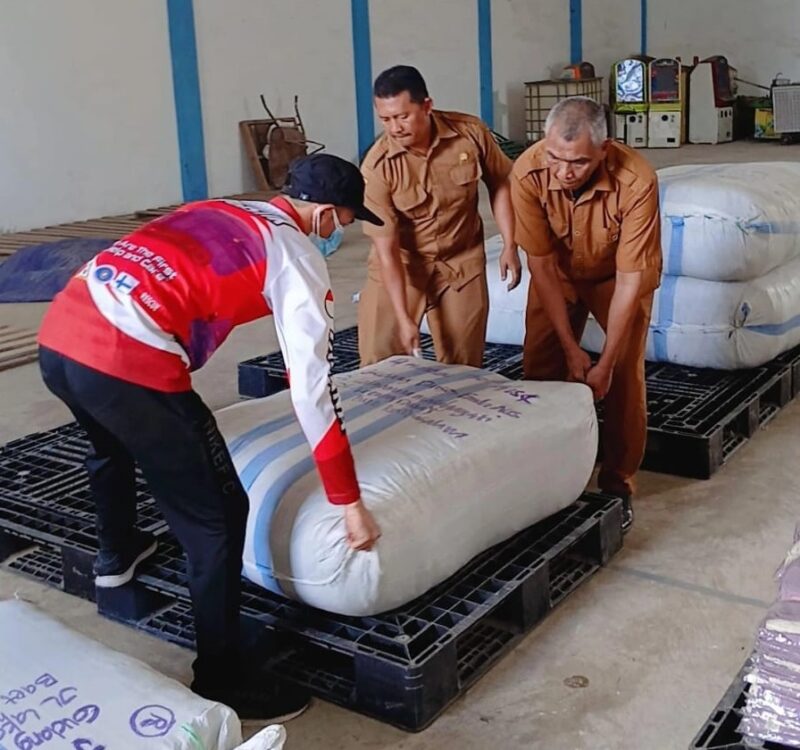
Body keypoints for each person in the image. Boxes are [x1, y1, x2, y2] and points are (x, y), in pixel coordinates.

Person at [37, 154, 383, 720]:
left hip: (62, 332)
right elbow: (311, 392)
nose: (340, 232)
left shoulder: (223, 207)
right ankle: (222, 676)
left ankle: (116, 559)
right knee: (218, 514)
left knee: (109, 447)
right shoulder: (296, 257)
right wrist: (347, 501)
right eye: (343, 220)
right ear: (323, 214)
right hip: (128, 358)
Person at [510, 97, 662, 532]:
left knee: (624, 379)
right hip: (557, 271)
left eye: (576, 163)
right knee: (540, 365)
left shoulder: (636, 180)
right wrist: (570, 347)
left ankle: (618, 481)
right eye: (554, 157)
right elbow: (539, 264)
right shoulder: (527, 171)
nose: (562, 171)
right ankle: (543, 470)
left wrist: (605, 362)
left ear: (604, 150)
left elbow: (632, 279)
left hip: (614, 275)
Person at [358, 64, 520, 367]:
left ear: (427, 106)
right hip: (402, 266)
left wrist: (510, 244)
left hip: (461, 263)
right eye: (386, 119)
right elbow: (387, 251)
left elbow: (502, 182)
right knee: (378, 364)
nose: (395, 128)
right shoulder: (377, 166)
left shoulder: (469, 134)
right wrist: (405, 318)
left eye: (403, 116)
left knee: (464, 366)